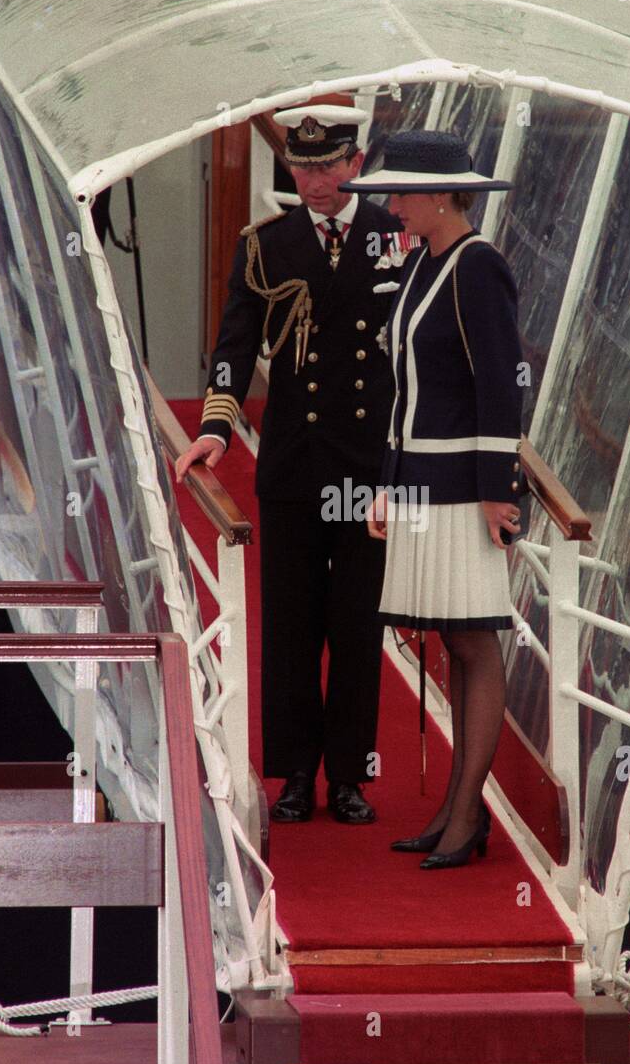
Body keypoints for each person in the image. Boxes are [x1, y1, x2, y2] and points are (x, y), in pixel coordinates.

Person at [176, 105, 406, 824]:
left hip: (368, 468)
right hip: (296, 462)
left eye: (329, 165)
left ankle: (350, 776)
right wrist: (217, 426)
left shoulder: (396, 238)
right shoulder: (266, 246)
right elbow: (234, 345)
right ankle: (296, 774)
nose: (315, 180)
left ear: (356, 163)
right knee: (292, 624)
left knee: (358, 622)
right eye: (303, 168)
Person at [343, 130, 526, 869]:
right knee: (454, 641)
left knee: (474, 641)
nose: (391, 205)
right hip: (421, 479)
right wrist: (388, 484)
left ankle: (466, 817)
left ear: (443, 196)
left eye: (401, 193)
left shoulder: (479, 268)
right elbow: (403, 394)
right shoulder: (426, 262)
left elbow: (499, 382)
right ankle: (457, 809)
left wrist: (495, 492)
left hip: (460, 489)